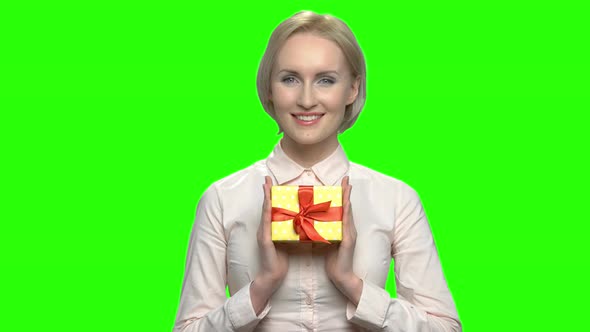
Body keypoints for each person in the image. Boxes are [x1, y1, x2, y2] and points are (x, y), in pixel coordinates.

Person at [173, 10, 461, 332]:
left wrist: (352, 285)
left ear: (352, 88)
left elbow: (445, 328)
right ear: (269, 88)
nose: (307, 99)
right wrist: (261, 287)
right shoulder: (222, 199)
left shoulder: (397, 199)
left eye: (326, 80)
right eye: (290, 79)